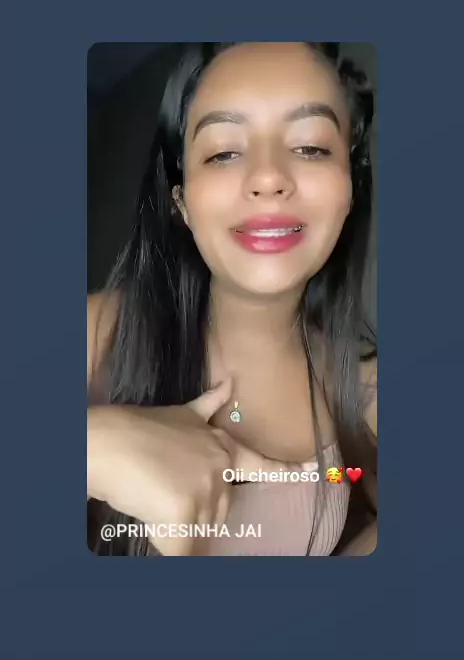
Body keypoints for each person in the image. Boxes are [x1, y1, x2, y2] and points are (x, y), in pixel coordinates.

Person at [87, 42, 378, 557]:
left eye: (311, 147)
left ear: (350, 190)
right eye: (223, 153)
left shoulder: (366, 388)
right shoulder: (95, 332)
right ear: (181, 202)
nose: (268, 178)